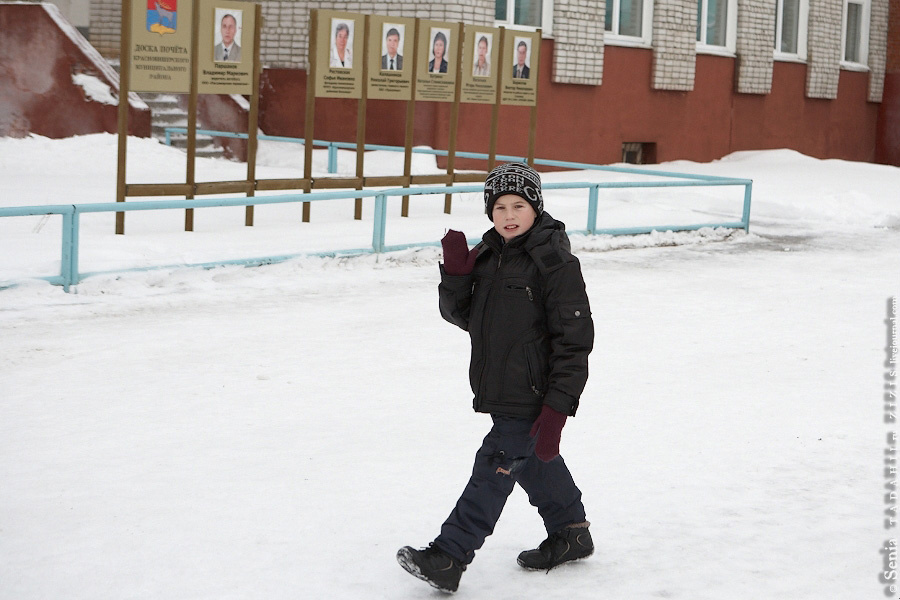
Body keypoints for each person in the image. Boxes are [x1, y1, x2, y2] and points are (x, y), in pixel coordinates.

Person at [397, 162, 595, 594]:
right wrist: (455, 276)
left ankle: (449, 555)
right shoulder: (488, 255)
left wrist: (558, 405)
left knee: (496, 465)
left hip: (534, 391)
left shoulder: (555, 262)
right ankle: (571, 532)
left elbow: (575, 338)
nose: (508, 214)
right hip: (500, 387)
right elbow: (465, 317)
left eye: (518, 205)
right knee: (529, 461)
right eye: (500, 205)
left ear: (536, 208)